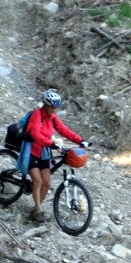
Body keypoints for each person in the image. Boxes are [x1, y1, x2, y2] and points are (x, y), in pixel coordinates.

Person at [22, 89, 88, 222]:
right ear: (45, 105)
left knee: (46, 183)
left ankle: (35, 209)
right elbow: (35, 134)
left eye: (55, 107)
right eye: (51, 107)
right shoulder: (37, 115)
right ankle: (38, 210)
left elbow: (64, 130)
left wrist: (80, 140)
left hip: (43, 152)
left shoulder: (52, 118)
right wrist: (50, 143)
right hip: (31, 151)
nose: (54, 110)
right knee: (38, 180)